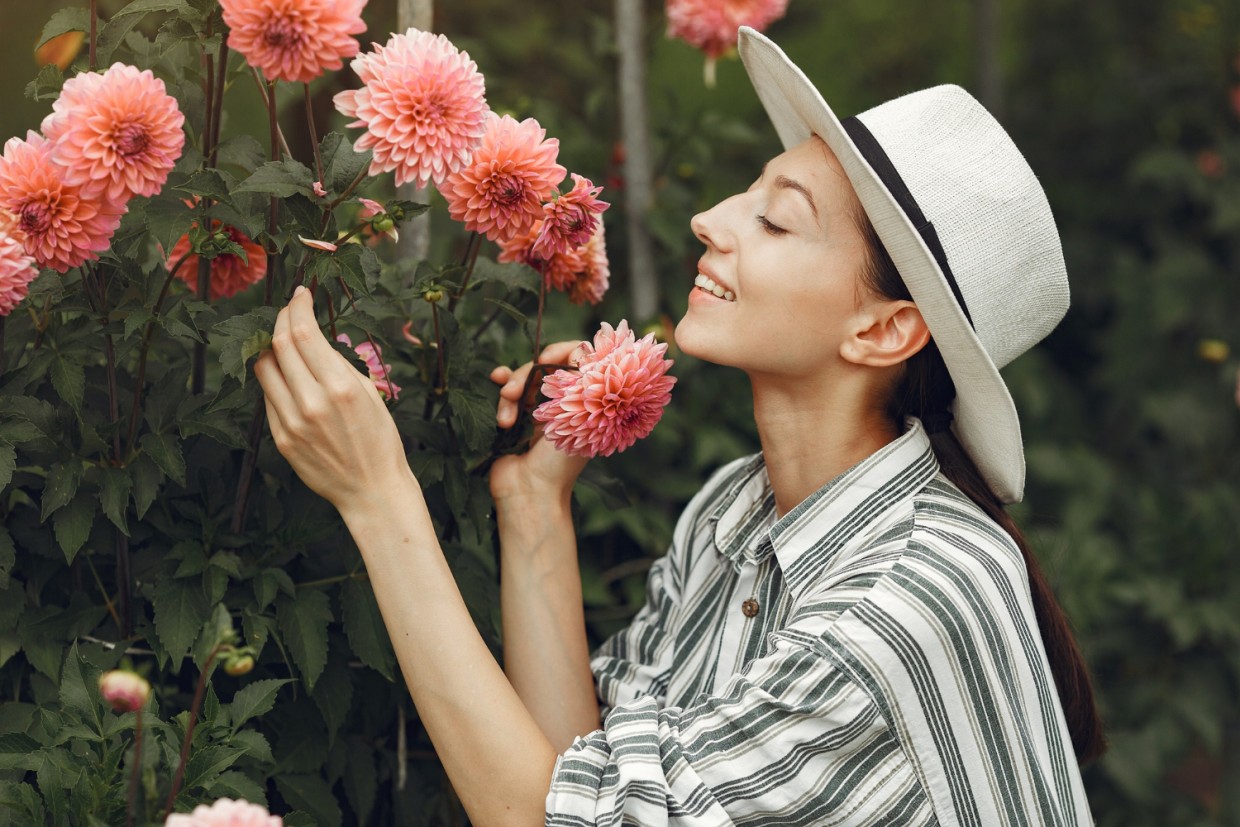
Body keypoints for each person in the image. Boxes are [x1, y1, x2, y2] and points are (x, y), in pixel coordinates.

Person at [254, 25, 1102, 827]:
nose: (713, 219)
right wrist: (534, 504)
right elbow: (582, 778)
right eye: (750, 192)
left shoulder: (914, 597)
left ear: (883, 330)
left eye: (775, 220)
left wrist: (378, 496)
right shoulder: (737, 507)